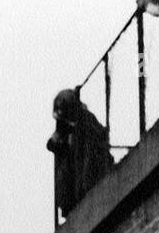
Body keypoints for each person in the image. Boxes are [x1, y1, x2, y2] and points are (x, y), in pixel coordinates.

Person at [47, 88, 113, 221]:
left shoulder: (86, 121)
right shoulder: (67, 128)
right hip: (73, 184)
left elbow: (96, 143)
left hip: (88, 177)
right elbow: (51, 144)